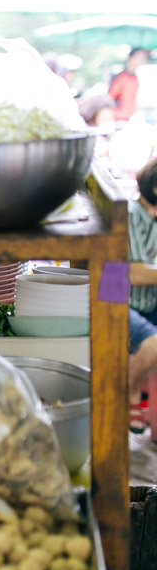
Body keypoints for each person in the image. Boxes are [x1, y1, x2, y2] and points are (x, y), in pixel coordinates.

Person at [126, 156, 157, 430]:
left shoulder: (151, 219)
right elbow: (133, 274)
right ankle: (128, 393)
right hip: (119, 303)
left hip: (147, 303)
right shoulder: (130, 214)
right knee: (154, 344)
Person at [109, 47, 151, 121]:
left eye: (143, 58)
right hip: (120, 119)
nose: (141, 61)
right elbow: (110, 98)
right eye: (139, 58)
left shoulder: (137, 78)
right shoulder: (121, 78)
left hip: (133, 118)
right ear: (130, 58)